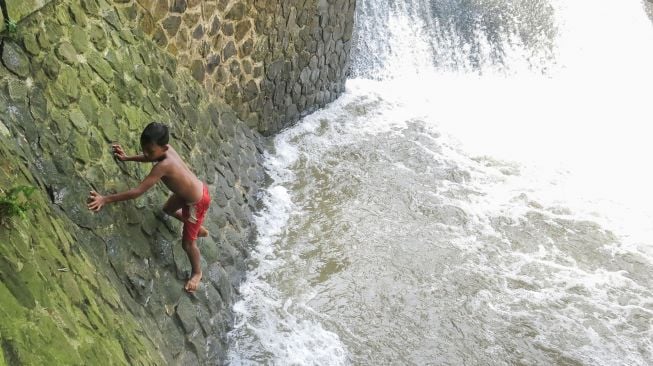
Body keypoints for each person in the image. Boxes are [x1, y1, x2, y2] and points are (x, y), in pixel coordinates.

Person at [87, 122, 211, 293]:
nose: (146, 154)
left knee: (188, 245)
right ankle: (197, 227)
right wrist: (127, 157)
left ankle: (197, 272)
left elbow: (137, 191)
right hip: (190, 192)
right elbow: (149, 156)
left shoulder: (163, 166)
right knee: (167, 209)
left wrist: (105, 199)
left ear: (164, 148)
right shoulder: (164, 151)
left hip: (196, 202)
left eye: (150, 151)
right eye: (144, 149)